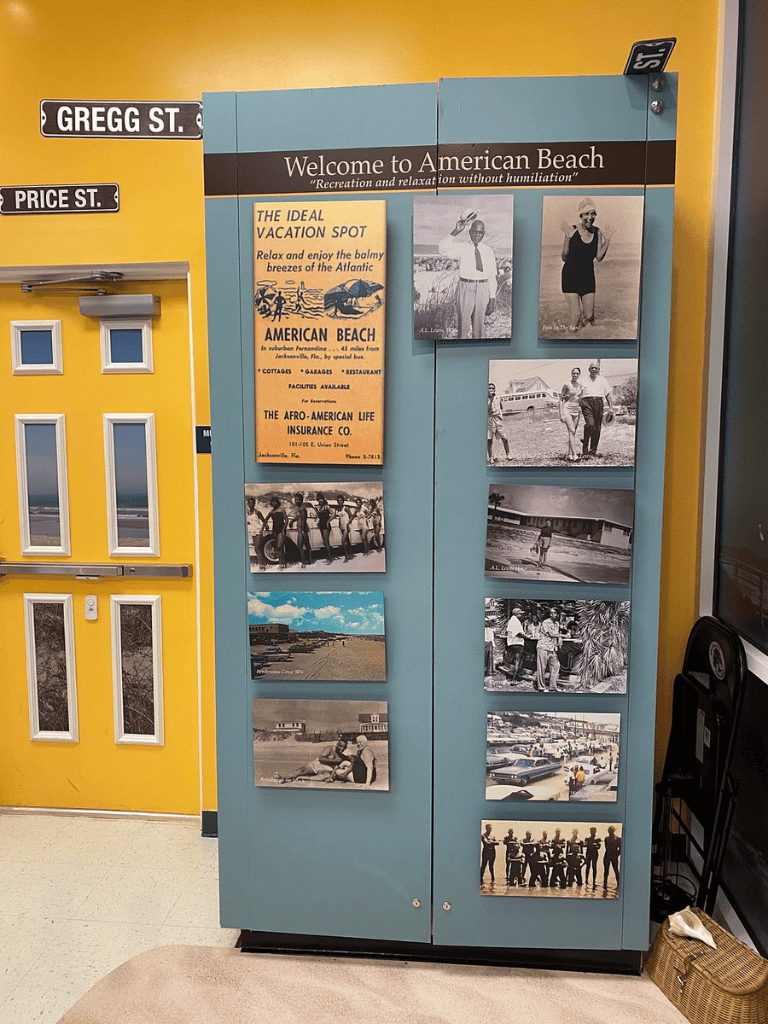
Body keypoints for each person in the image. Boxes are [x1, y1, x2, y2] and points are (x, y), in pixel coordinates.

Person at [439, 210, 498, 339]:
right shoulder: (461, 247)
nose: (477, 234)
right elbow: (442, 249)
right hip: (465, 288)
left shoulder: (488, 251)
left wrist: (492, 298)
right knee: (463, 328)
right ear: (470, 232)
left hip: (483, 289)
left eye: (480, 232)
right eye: (474, 231)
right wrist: (456, 231)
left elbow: (492, 277)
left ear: (484, 233)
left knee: (479, 329)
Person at [559, 197, 615, 332]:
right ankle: (568, 341)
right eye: (586, 214)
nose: (590, 217)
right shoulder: (572, 230)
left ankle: (588, 338)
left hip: (587, 277)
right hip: (570, 276)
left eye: (593, 214)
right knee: (576, 315)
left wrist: (607, 241)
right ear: (581, 215)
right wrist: (567, 239)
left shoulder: (597, 232)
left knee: (589, 316)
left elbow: (599, 257)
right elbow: (564, 257)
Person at [579, 361, 614, 459]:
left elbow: (608, 395)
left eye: (596, 368)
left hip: (599, 402)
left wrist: (611, 407)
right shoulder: (583, 380)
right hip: (586, 402)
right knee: (590, 424)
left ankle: (592, 451)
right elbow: (577, 394)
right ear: (589, 369)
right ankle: (585, 443)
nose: (594, 370)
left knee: (597, 428)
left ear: (599, 370)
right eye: (592, 368)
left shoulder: (603, 380)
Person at [276, 738, 348, 783]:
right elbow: (321, 758)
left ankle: (301, 778)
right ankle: (283, 777)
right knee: (301, 771)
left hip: (326, 769)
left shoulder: (343, 755)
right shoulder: (330, 748)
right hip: (317, 764)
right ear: (337, 744)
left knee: (326, 776)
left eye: (344, 747)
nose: (342, 748)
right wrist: (336, 761)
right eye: (340, 746)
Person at [559, 367, 584, 462]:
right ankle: (574, 455)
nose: (575, 375)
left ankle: (569, 454)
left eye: (577, 374)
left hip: (576, 410)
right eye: (574, 373)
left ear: (579, 375)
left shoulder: (581, 385)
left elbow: (581, 398)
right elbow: (560, 399)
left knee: (572, 433)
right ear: (571, 374)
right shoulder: (566, 385)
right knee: (572, 431)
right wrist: (561, 414)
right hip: (567, 409)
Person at [537, 606, 561, 691]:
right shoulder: (545, 622)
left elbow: (556, 635)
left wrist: (559, 639)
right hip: (543, 647)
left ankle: (553, 686)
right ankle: (541, 687)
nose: (552, 614)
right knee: (542, 668)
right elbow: (551, 634)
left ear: (557, 614)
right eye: (551, 613)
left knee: (556, 665)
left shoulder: (557, 623)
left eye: (554, 613)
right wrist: (563, 636)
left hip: (552, 648)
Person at [487, 382, 510, 463]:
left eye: (492, 389)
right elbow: (487, 410)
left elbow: (501, 407)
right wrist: (490, 399)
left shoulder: (498, 398)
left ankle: (508, 454)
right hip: (490, 420)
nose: (491, 390)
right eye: (489, 389)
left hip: (497, 419)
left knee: (505, 438)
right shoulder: (487, 399)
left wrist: (501, 416)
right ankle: (490, 457)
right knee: (489, 440)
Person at [261, 497, 287, 569]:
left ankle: (282, 563)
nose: (274, 503)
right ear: (271, 503)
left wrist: (284, 529)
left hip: (281, 530)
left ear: (278, 502)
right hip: (274, 530)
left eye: (275, 501)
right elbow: (265, 519)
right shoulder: (271, 511)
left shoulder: (281, 510)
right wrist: (265, 526)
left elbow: (286, 520)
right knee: (279, 547)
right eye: (272, 502)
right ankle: (282, 563)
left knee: (279, 546)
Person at [502, 606, 526, 682]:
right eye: (520, 614)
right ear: (517, 614)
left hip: (512, 643)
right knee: (517, 661)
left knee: (515, 661)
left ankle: (514, 676)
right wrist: (526, 636)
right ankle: (514, 679)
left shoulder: (511, 620)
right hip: (517, 643)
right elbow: (518, 633)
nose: (521, 615)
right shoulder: (516, 621)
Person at [293, 492, 312, 567]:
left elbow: (304, 520)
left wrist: (303, 531)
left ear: (301, 501)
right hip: (300, 531)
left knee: (302, 546)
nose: (296, 501)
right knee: (304, 546)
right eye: (295, 500)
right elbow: (298, 518)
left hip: (302, 530)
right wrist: (292, 521)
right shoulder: (298, 509)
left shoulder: (302, 509)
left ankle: (305, 561)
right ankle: (307, 560)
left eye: (298, 500)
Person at [316, 493, 334, 564]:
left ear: (323, 499)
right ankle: (328, 557)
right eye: (319, 499)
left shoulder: (326, 507)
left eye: (321, 499)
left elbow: (333, 514)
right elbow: (320, 517)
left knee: (326, 542)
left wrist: (328, 522)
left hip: (326, 526)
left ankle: (330, 558)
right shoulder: (320, 508)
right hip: (321, 525)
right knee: (324, 542)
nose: (320, 500)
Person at [603, 825, 621, 889]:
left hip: (614, 855)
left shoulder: (618, 838)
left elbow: (620, 849)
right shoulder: (606, 838)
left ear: (613, 831)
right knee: (606, 871)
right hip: (607, 855)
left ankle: (619, 884)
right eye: (609, 831)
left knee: (616, 870)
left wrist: (616, 855)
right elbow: (606, 847)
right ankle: (605, 884)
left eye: (611, 831)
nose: (610, 832)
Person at [335, 497, 353, 562]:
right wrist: (339, 525)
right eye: (338, 501)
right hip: (342, 526)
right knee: (347, 541)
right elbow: (339, 517)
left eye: (341, 500)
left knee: (343, 541)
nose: (340, 502)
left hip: (346, 526)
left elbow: (351, 516)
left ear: (343, 501)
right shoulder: (338, 509)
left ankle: (346, 556)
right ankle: (351, 554)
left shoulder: (346, 508)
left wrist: (348, 524)